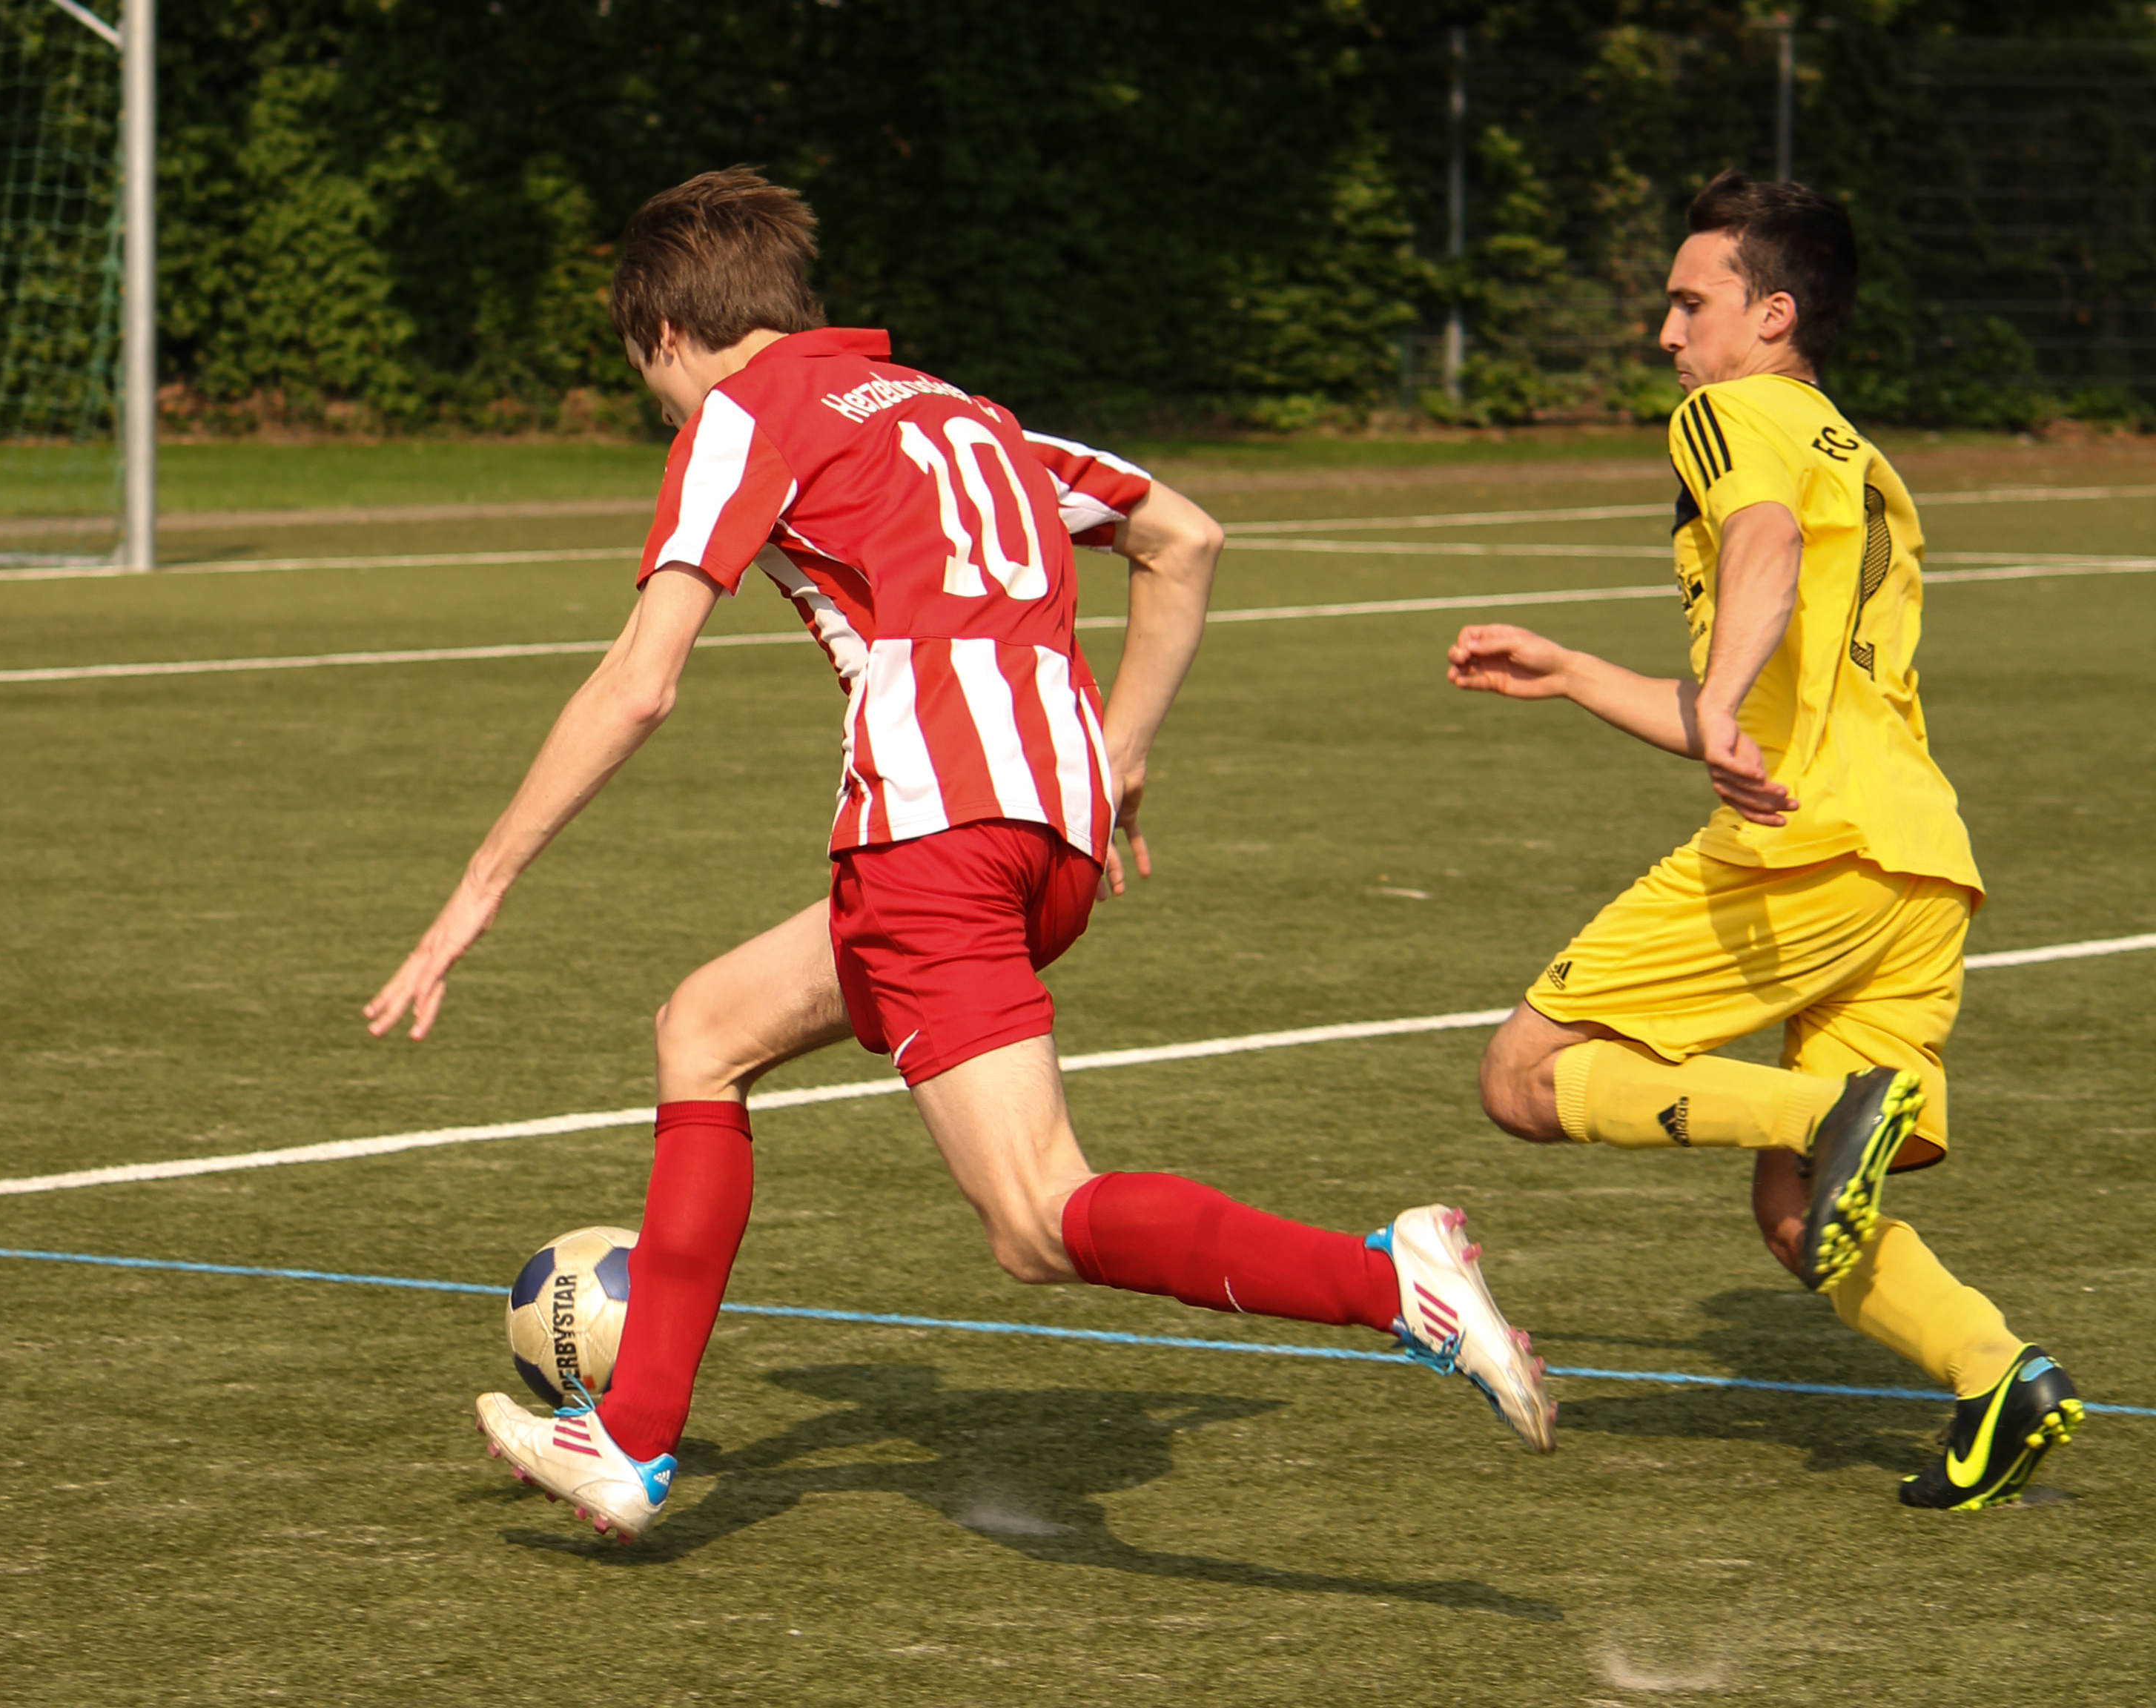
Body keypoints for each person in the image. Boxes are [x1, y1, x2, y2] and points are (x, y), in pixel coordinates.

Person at [366, 168, 1554, 1543]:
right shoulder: (956, 413)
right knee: (703, 1029)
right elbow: (1184, 536)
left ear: (667, 334)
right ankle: (631, 1445)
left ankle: (1392, 1279)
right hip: (1050, 840)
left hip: (935, 834)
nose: (666, 408)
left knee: (1037, 1219)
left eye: (652, 377)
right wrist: (1119, 751)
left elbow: (640, 681)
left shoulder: (746, 414)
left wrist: (476, 891)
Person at [1446, 170, 2081, 1511]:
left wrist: (1724, 703)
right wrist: (1577, 673)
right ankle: (2000, 1378)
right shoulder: (1860, 454)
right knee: (1798, 1212)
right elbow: (1777, 653)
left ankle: (1831, 1111)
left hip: (1812, 844)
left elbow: (1764, 544)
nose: (1667, 334)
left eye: (1692, 303)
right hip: (1920, 864)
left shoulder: (1730, 415)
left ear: (1772, 313)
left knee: (1522, 1077)